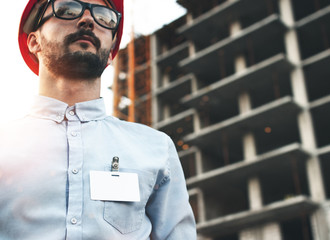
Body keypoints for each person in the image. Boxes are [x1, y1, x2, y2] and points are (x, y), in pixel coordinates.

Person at [0, 0, 197, 239]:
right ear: (33, 41)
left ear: (111, 52)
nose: (88, 20)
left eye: (105, 17)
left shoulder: (156, 148)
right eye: (68, 9)